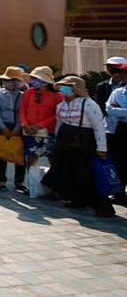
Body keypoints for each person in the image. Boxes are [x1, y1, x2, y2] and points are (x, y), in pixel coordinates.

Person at [42, 76, 114, 217]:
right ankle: (77, 199)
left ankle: (102, 206)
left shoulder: (89, 104)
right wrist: (56, 140)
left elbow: (99, 126)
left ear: (75, 88)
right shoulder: (62, 104)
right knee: (69, 171)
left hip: (84, 141)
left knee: (88, 173)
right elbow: (59, 123)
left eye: (67, 86)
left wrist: (102, 147)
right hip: (65, 141)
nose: (63, 89)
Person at [19, 66, 62, 195]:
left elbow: (57, 114)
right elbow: (22, 110)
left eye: (38, 79)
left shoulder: (57, 96)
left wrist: (39, 125)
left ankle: (55, 188)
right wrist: (25, 124)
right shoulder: (28, 93)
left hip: (49, 132)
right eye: (33, 78)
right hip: (29, 131)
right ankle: (32, 185)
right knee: (31, 158)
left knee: (52, 159)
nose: (35, 81)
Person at [0, 66, 26, 191]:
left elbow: (22, 113)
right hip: (1, 125)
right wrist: (3, 127)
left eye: (11, 81)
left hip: (17, 126)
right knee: (1, 154)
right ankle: (1, 180)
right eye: (5, 80)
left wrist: (17, 128)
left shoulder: (22, 96)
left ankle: (19, 181)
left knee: (19, 154)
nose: (7, 83)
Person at [104, 59, 127, 206]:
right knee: (120, 161)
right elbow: (110, 110)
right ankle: (120, 193)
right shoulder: (118, 92)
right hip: (122, 129)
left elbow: (116, 110)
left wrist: (121, 110)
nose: (121, 75)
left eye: (124, 72)